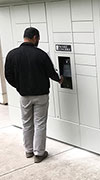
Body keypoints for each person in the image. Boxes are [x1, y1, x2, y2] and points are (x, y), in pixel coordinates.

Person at [5, 27, 63, 163]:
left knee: (26, 123)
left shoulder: (12, 54)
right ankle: (39, 153)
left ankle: (29, 151)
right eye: (38, 39)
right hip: (41, 95)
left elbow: (8, 75)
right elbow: (51, 72)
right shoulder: (41, 54)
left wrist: (19, 86)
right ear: (35, 37)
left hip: (24, 96)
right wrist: (59, 79)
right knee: (40, 123)